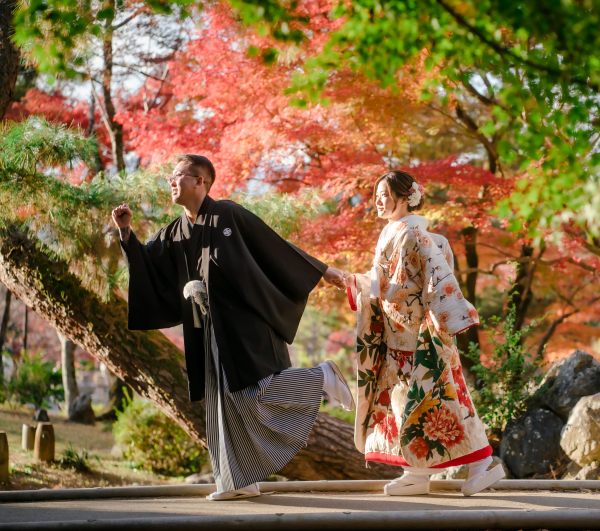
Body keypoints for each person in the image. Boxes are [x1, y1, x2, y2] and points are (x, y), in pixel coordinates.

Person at [111, 154, 354, 501]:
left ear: (200, 182)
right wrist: (126, 233)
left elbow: (271, 244)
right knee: (221, 402)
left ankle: (321, 378)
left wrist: (323, 270)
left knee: (255, 392)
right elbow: (148, 266)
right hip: (207, 327)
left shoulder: (226, 213)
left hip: (246, 320)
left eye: (178, 176)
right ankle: (238, 481)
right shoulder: (175, 231)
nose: (171, 182)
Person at [345, 170, 505, 496]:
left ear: (405, 198)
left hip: (422, 336)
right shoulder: (395, 232)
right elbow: (381, 283)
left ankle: (483, 463)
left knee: (446, 402)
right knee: (410, 404)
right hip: (400, 336)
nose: (378, 200)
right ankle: (416, 471)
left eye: (385, 194)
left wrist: (358, 283)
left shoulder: (415, 236)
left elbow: (401, 288)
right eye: (376, 194)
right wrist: (358, 283)